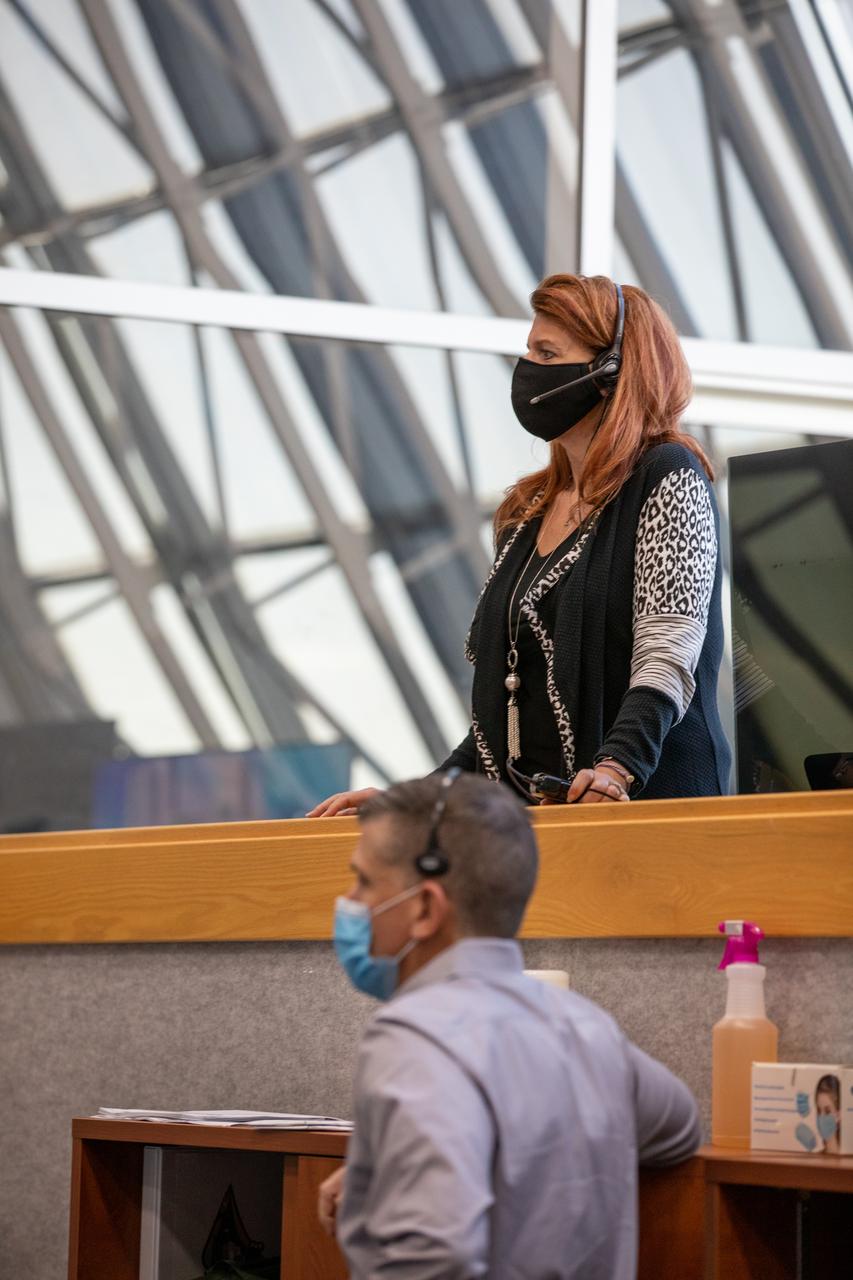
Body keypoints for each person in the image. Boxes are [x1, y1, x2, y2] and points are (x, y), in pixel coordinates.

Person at [309, 273, 731, 817]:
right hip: (542, 828)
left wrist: (615, 769)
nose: (527, 368)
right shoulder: (526, 512)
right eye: (528, 349)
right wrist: (416, 799)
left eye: (546, 352)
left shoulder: (667, 474)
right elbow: (505, 717)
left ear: (611, 372)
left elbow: (668, 654)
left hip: (651, 819)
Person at [319, 770, 701, 1278]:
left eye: (364, 881)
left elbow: (433, 1257)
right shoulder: (586, 1026)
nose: (351, 902)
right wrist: (408, 1161)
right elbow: (680, 1129)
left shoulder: (417, 1036)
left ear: (427, 907)